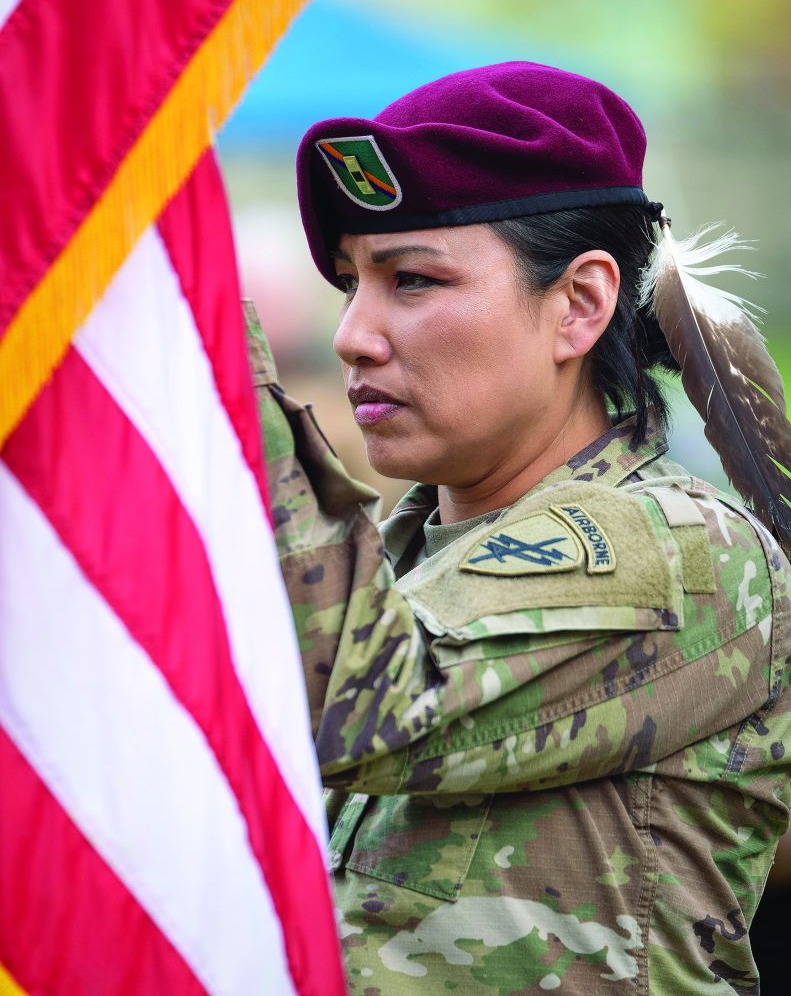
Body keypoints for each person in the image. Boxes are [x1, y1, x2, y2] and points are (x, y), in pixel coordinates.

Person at [246, 62, 791, 994]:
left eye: (411, 280)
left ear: (577, 305)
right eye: (350, 283)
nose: (352, 334)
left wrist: (212, 376)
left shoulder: (679, 551)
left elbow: (363, 704)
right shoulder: (398, 552)